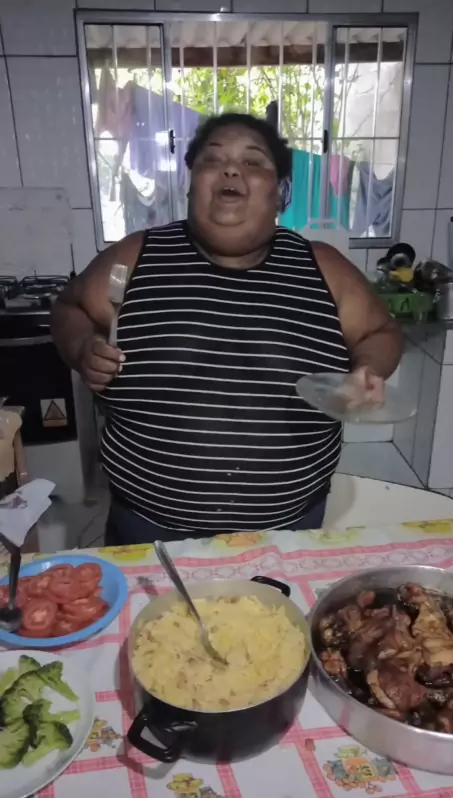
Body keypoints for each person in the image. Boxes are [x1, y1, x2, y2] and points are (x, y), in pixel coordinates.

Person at [51, 113, 402, 545]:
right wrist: (83, 346)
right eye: (212, 160)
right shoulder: (136, 256)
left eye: (253, 162)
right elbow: (70, 308)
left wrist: (366, 370)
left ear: (281, 193)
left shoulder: (324, 268)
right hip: (148, 530)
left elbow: (381, 333)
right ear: (190, 185)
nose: (231, 170)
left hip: (287, 531)